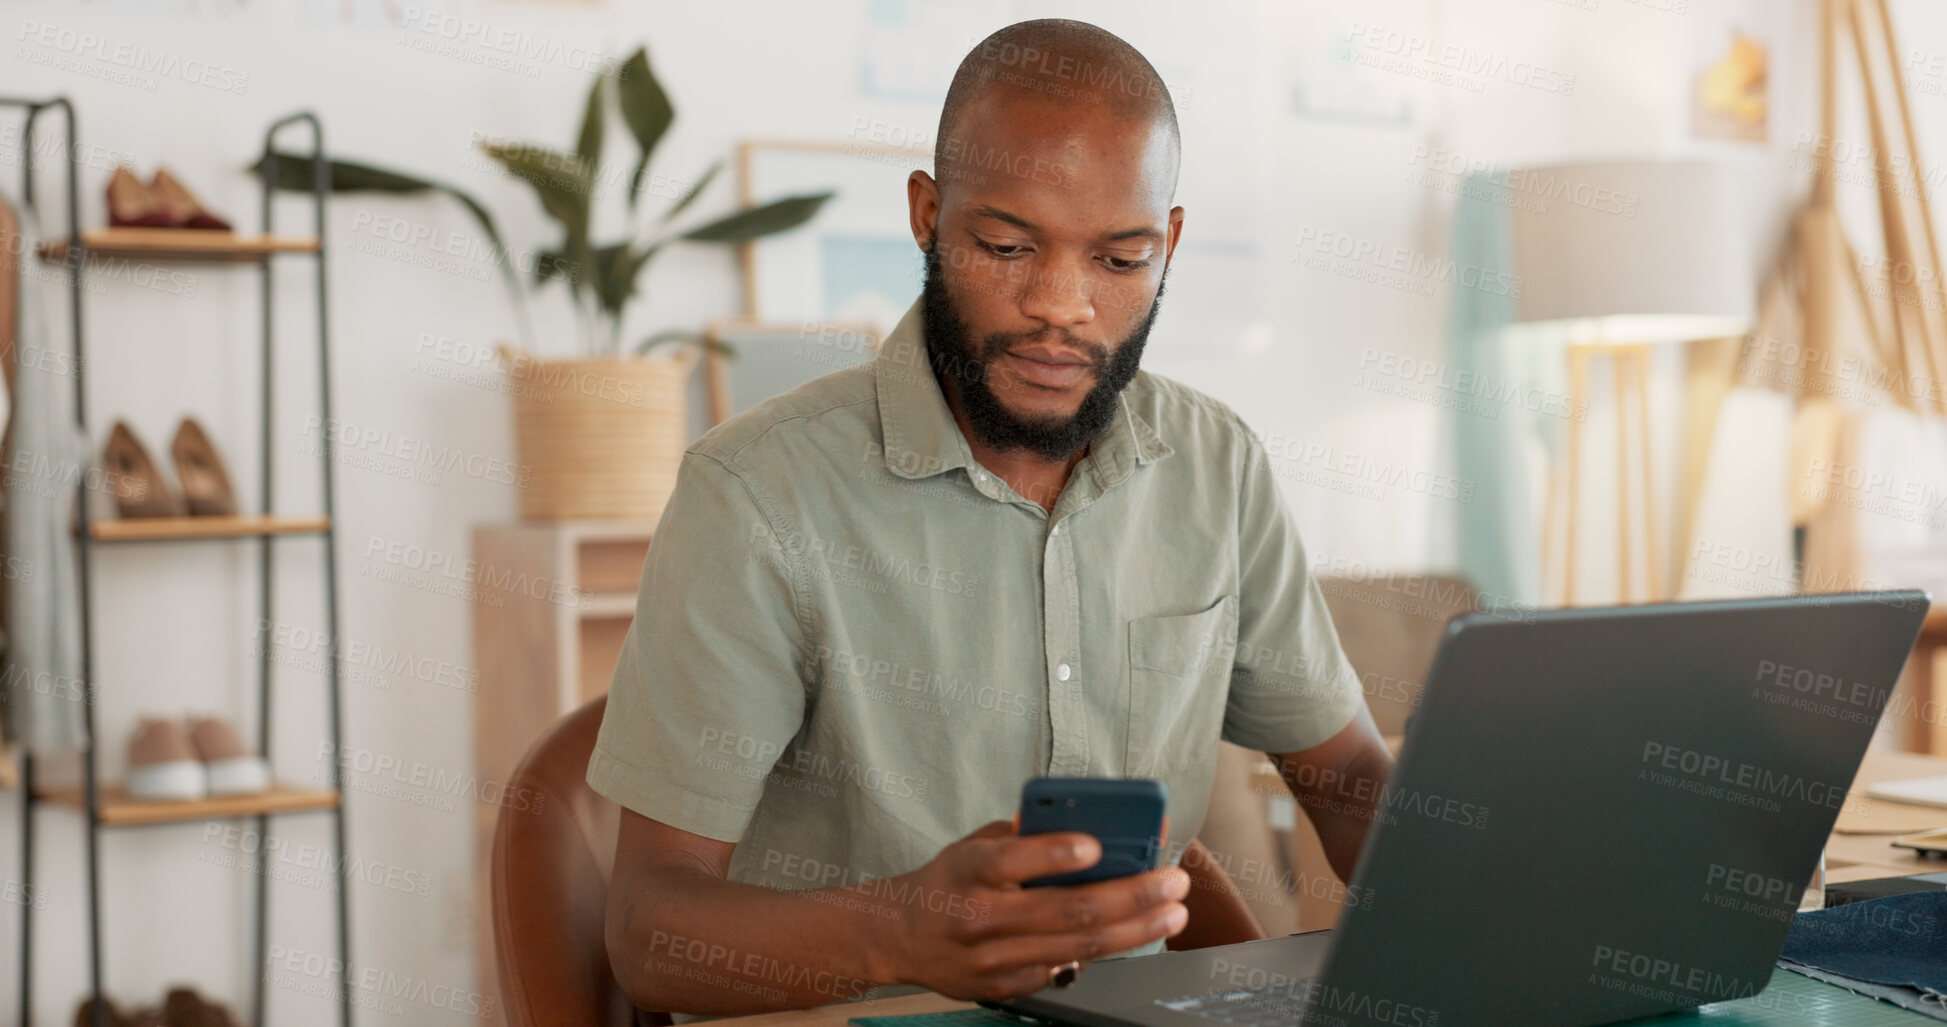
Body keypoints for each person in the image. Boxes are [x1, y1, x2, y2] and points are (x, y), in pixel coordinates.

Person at [590, 18, 1394, 1018]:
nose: (1062, 305)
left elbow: (1347, 774)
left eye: (1120, 260)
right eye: (1007, 246)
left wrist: (1501, 888)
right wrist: (899, 930)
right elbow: (646, 931)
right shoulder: (756, 493)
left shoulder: (1216, 465)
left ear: (1170, 244)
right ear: (929, 215)